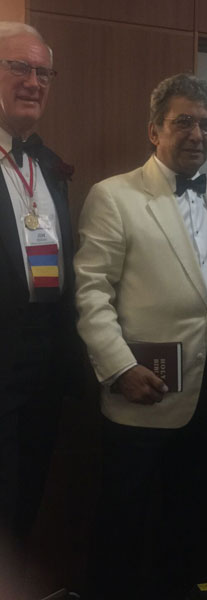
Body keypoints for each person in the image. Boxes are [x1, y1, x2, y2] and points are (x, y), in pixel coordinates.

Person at [74, 73, 207, 600]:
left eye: (206, 124)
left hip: (205, 398)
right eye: (183, 122)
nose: (197, 134)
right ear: (154, 130)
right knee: (122, 527)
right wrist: (120, 368)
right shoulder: (114, 196)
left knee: (186, 528)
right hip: (139, 394)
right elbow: (91, 292)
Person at [0, 20, 78, 573]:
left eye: (43, 71)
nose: (33, 81)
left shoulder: (47, 165)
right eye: (17, 67)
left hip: (46, 361)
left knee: (26, 495)